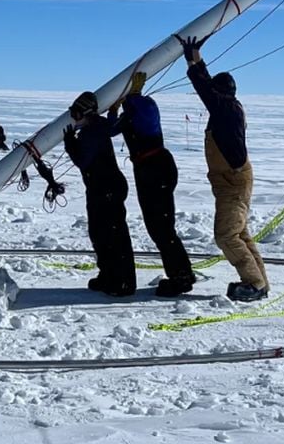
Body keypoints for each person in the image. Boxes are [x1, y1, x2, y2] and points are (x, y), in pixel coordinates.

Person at [176, 35, 269, 302]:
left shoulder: (226, 109)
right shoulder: (227, 108)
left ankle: (254, 283)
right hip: (231, 181)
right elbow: (208, 89)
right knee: (238, 233)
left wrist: (193, 59)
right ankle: (259, 283)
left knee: (226, 235)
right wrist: (195, 58)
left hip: (233, 182)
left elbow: (205, 89)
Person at [107, 71, 195, 297]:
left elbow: (118, 127)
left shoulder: (140, 110)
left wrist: (123, 103)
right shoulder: (140, 111)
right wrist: (120, 106)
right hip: (155, 168)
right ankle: (182, 272)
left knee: (161, 228)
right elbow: (117, 126)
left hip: (153, 170)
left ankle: (181, 277)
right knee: (161, 226)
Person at [64, 91, 137, 297]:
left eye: (76, 113)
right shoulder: (99, 125)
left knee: (113, 236)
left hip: (106, 188)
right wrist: (114, 112)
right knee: (99, 233)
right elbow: (113, 127)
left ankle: (123, 282)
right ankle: (108, 275)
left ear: (86, 113)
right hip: (101, 188)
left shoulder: (91, 132)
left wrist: (71, 144)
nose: (74, 117)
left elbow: (82, 161)